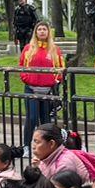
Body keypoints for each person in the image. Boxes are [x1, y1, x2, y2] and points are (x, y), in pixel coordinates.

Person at [17, 21, 65, 153]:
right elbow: (22, 66)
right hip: (31, 89)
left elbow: (61, 68)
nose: (42, 31)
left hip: (47, 90)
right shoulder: (28, 48)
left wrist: (55, 80)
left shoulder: (55, 49)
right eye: (39, 29)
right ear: (35, 32)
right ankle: (26, 146)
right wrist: (26, 78)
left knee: (45, 121)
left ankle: (45, 147)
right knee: (31, 118)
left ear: (48, 32)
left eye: (44, 29)